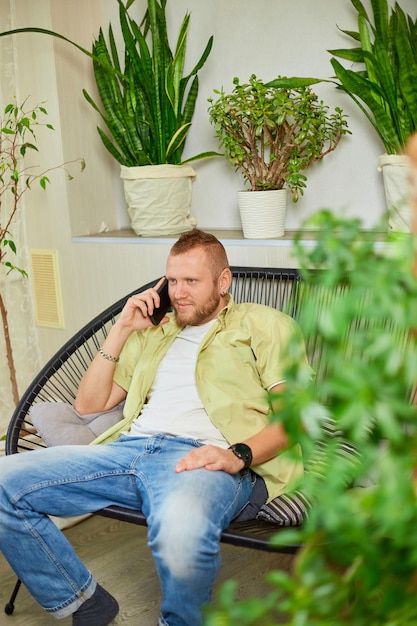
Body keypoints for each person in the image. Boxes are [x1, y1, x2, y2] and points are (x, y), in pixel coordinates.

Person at [0, 229, 311, 626]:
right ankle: (84, 602)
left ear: (223, 281)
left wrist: (236, 456)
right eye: (173, 281)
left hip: (204, 457)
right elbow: (88, 404)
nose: (179, 293)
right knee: (4, 481)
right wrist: (123, 328)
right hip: (128, 451)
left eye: (192, 281)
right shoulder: (155, 334)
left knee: (181, 529)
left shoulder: (264, 324)